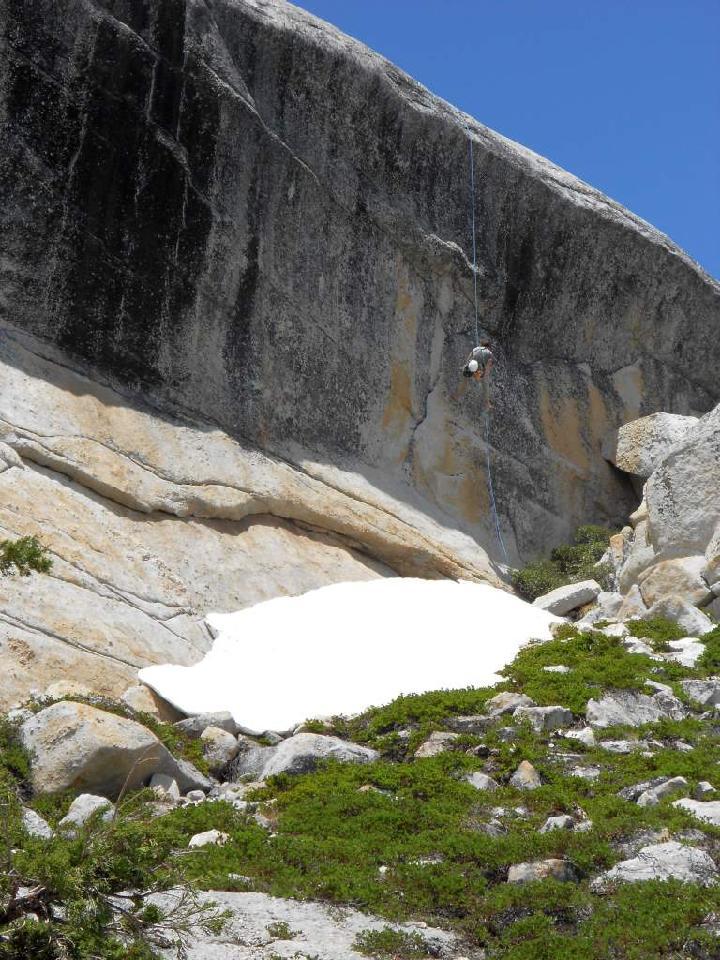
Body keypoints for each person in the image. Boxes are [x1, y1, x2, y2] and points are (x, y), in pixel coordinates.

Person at [462, 339, 494, 408]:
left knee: (464, 384)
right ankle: (487, 403)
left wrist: (466, 367)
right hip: (476, 370)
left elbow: (468, 359)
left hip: (469, 368)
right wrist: (482, 376)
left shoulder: (475, 349)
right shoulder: (489, 354)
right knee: (485, 383)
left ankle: (455, 397)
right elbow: (487, 371)